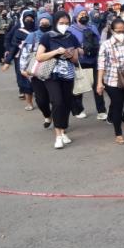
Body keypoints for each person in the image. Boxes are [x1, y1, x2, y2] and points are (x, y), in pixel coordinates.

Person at [36, 11, 81, 149]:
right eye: (61, 23)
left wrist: (69, 55)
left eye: (67, 23)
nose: (64, 26)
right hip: (51, 74)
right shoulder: (47, 37)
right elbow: (39, 57)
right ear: (55, 22)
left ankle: (63, 130)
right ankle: (58, 135)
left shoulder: (71, 37)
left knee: (67, 103)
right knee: (57, 101)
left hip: (68, 74)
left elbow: (75, 59)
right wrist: (56, 52)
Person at [69, 5, 107, 121]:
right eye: (81, 14)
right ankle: (78, 109)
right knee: (80, 86)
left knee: (98, 86)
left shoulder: (93, 27)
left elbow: (99, 41)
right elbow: (68, 45)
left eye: (85, 14)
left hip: (94, 61)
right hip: (80, 61)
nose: (84, 16)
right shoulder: (70, 29)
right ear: (75, 16)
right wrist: (77, 50)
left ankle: (101, 111)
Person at [19, 12, 54, 127]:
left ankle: (59, 123)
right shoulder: (32, 36)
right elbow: (25, 53)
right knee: (41, 101)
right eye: (42, 21)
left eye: (46, 21)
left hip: (53, 72)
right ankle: (47, 116)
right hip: (36, 72)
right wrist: (23, 69)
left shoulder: (55, 34)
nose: (44, 23)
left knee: (56, 99)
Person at [2, 10, 36, 110]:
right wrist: (7, 62)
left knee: (37, 79)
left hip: (35, 59)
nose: (29, 21)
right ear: (23, 19)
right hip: (21, 60)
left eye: (31, 19)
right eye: (27, 19)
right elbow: (13, 47)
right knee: (24, 81)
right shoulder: (18, 31)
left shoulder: (38, 30)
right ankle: (29, 103)